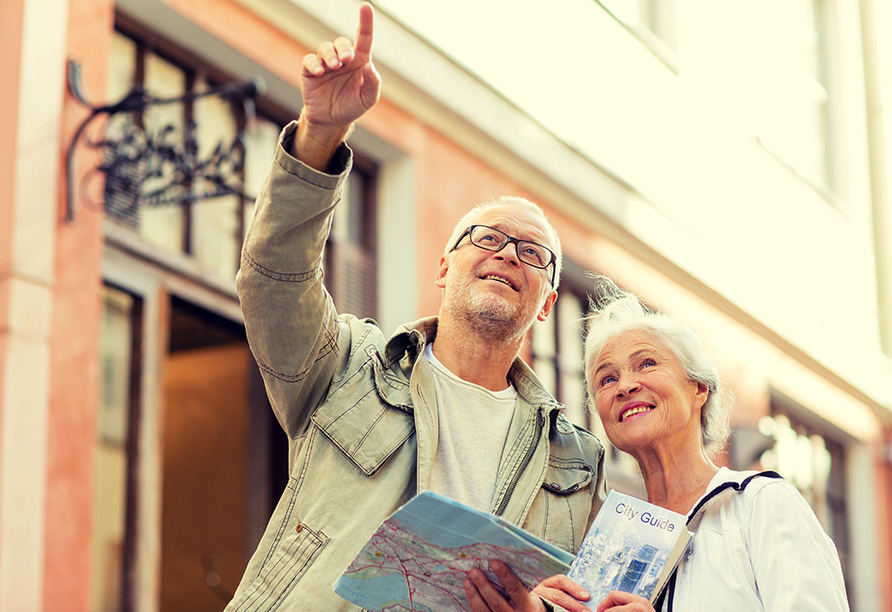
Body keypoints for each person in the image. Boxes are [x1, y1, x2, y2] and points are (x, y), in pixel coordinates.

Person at [227, 4, 605, 611]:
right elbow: (274, 279)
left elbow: (581, 598)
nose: (508, 254)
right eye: (487, 239)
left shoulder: (578, 460)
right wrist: (321, 134)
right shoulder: (348, 366)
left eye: (533, 253)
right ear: (443, 266)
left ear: (546, 305)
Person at [582, 276, 850, 612]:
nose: (625, 386)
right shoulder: (611, 544)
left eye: (647, 363)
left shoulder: (759, 504)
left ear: (699, 388)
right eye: (607, 379)